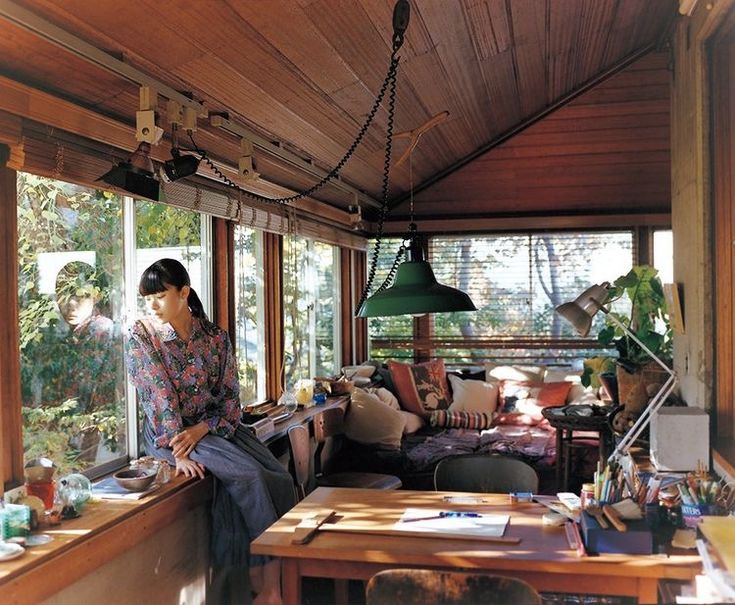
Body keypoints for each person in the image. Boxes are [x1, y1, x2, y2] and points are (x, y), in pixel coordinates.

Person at [125, 258, 294, 605]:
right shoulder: (142, 335)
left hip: (213, 428)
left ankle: (270, 579)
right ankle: (269, 590)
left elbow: (231, 400)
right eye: (147, 298)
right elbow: (160, 397)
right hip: (171, 434)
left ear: (184, 292)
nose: (152, 305)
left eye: (159, 295)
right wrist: (179, 452)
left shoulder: (215, 338)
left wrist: (205, 428)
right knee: (251, 476)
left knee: (280, 477)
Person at [54, 261, 119, 462]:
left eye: (80, 296)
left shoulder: (101, 331)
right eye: (64, 296)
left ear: (96, 296)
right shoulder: (67, 334)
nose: (70, 304)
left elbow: (85, 391)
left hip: (98, 433)